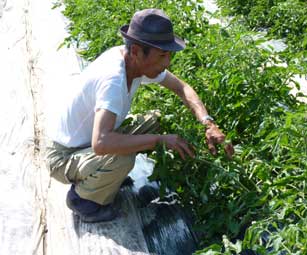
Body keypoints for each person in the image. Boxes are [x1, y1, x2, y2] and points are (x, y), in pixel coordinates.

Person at [45, 8, 234, 223]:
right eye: (163, 55)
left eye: (169, 54)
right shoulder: (113, 79)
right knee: (123, 158)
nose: (167, 62)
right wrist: (160, 141)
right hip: (63, 156)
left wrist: (208, 123)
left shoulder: (132, 62)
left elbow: (182, 88)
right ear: (136, 51)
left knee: (156, 121)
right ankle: (83, 201)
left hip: (87, 143)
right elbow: (101, 143)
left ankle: (105, 178)